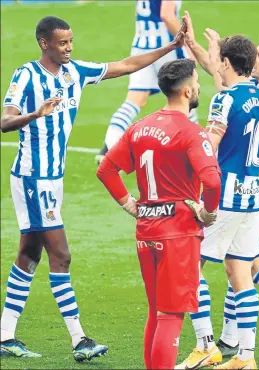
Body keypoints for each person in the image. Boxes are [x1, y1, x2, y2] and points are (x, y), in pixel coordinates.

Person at [0, 15, 186, 360]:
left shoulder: (76, 72)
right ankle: (79, 339)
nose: (69, 48)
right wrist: (35, 114)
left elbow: (127, 64)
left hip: (52, 178)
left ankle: (5, 334)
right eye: (62, 43)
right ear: (44, 43)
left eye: (71, 41)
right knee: (61, 254)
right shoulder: (26, 75)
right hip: (32, 176)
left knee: (29, 253)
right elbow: (4, 121)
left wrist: (170, 47)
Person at [97, 58, 221, 369]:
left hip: (147, 230)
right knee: (171, 315)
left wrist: (130, 205)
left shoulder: (139, 127)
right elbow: (212, 180)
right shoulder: (192, 133)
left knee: (155, 311)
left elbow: (106, 169)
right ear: (188, 91)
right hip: (178, 233)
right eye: (197, 82)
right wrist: (208, 212)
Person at [176, 12, 259, 361]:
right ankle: (246, 356)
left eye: (219, 62)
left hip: (225, 200)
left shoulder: (224, 100)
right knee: (240, 274)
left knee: (189, 267)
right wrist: (197, 46)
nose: (216, 68)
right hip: (253, 198)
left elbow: (210, 144)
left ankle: (205, 346)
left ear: (229, 63)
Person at [95, 0, 198, 165]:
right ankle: (199, 148)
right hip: (165, 47)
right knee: (186, 95)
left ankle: (108, 148)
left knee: (135, 100)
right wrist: (188, 45)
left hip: (142, 46)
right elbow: (167, 14)